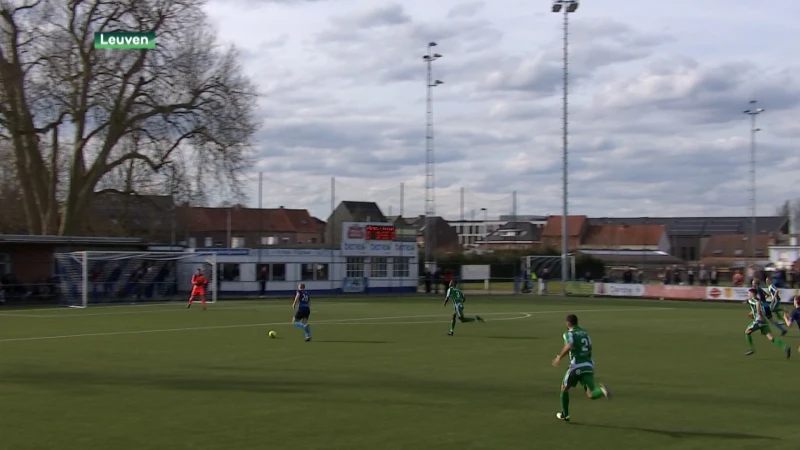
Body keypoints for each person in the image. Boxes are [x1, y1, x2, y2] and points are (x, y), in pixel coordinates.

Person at [552, 314, 610, 422]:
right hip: (588, 365)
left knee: (564, 388)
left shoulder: (569, 333)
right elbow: (590, 347)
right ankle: (602, 391)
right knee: (591, 393)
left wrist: (559, 357)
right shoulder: (584, 332)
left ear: (568, 323)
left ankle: (565, 414)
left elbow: (569, 345)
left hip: (576, 365)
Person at [745, 288, 790, 358]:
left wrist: (758, 314)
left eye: (748, 293)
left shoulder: (752, 300)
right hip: (764, 321)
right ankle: (785, 347)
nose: (748, 295)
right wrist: (752, 313)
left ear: (752, 294)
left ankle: (751, 349)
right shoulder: (758, 299)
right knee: (771, 337)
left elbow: (757, 304)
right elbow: (758, 306)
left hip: (758, 321)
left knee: (747, 332)